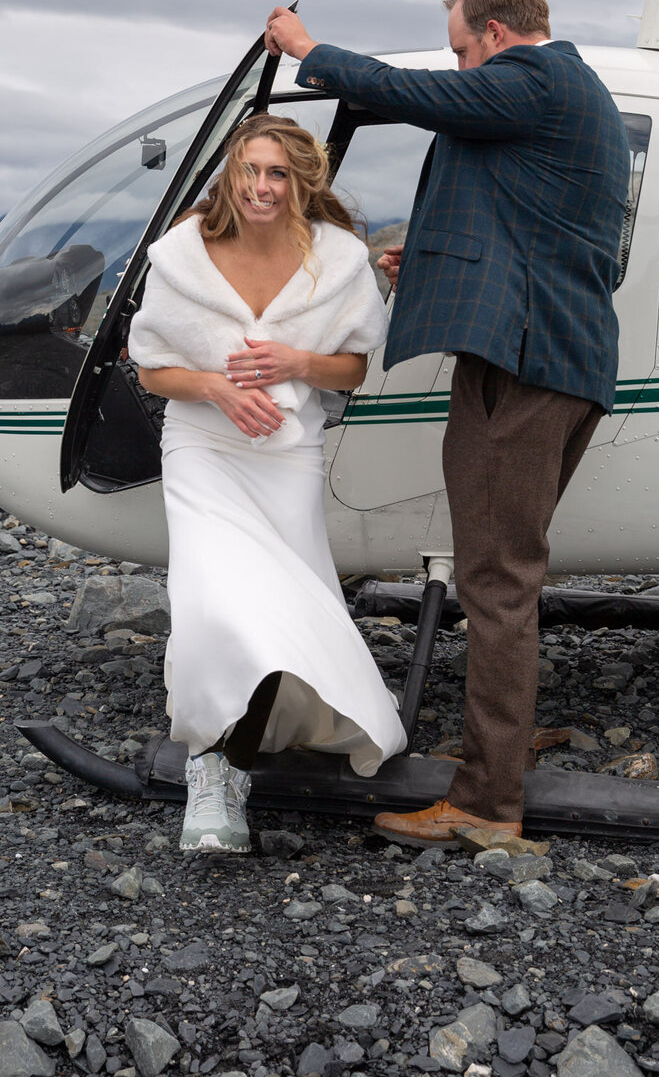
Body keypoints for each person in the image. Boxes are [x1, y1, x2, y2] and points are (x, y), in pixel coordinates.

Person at [266, 0, 629, 845]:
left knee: (497, 581)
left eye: (464, 48)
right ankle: (493, 749)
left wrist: (313, 54)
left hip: (528, 361)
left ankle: (487, 804)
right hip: (535, 353)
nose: (460, 65)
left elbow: (420, 94)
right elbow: (523, 227)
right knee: (499, 571)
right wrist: (422, 263)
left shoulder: (540, 77)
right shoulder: (554, 97)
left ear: (498, 35)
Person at [129, 113, 406, 854]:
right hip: (203, 451)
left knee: (280, 612)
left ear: (300, 181)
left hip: (287, 458)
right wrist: (215, 388)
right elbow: (150, 365)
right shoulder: (183, 254)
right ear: (230, 171)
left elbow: (351, 365)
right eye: (250, 169)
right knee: (216, 605)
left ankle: (241, 751)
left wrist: (295, 364)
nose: (261, 186)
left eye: (278, 173)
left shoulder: (338, 260)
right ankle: (213, 771)